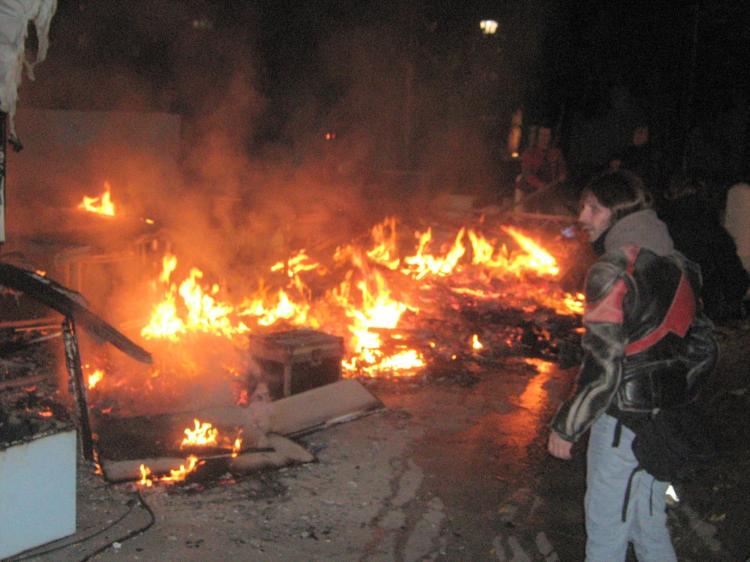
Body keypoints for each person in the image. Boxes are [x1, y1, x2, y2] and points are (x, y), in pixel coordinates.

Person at [547, 170, 717, 561]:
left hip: (623, 422)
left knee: (606, 532)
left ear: (617, 212)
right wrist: (671, 396)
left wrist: (567, 427)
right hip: (662, 423)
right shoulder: (681, 265)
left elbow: (603, 364)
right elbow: (704, 348)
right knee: (648, 526)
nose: (583, 218)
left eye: (593, 208)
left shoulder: (612, 271)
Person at [515, 125, 567, 212]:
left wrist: (562, 174)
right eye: (542, 135)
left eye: (547, 135)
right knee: (529, 209)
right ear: (537, 136)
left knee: (548, 208)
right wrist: (539, 185)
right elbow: (527, 174)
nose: (544, 138)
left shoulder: (556, 153)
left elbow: (562, 167)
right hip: (531, 189)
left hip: (549, 188)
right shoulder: (529, 153)